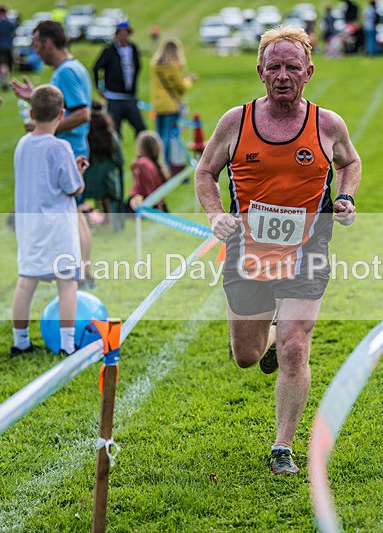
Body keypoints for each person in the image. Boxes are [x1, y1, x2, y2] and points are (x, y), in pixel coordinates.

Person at [194, 26, 361, 475]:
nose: (282, 75)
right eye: (274, 66)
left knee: (294, 345)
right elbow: (205, 172)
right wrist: (215, 215)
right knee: (247, 356)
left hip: (308, 250)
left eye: (292, 67)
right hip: (246, 251)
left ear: (308, 72)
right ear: (260, 71)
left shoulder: (328, 125)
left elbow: (349, 162)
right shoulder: (236, 122)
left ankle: (282, 446)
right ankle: (263, 338)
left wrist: (345, 199)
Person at [11, 20, 95, 289]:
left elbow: (82, 113)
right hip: (73, 148)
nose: (35, 51)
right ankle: (85, 271)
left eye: (36, 45)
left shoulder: (65, 72)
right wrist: (33, 97)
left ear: (48, 43)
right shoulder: (73, 67)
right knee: (76, 212)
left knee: (74, 215)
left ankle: (83, 273)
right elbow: (65, 107)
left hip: (69, 150)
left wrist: (42, 127)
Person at [11, 84, 88, 357]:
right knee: (67, 282)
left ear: (31, 112)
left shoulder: (22, 144)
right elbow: (73, 188)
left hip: (29, 227)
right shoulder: (61, 147)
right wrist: (78, 171)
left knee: (26, 281)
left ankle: (20, 342)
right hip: (57, 228)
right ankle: (67, 345)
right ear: (62, 114)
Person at [92, 20, 146, 138]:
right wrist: (99, 87)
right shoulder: (109, 51)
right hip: (114, 98)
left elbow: (137, 67)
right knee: (114, 131)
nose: (124, 36)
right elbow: (96, 68)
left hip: (129, 97)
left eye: (126, 33)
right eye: (121, 33)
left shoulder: (133, 49)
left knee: (141, 128)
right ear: (117, 34)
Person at [151, 38, 195, 170]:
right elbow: (180, 87)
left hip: (158, 104)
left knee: (159, 135)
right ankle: (164, 165)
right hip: (170, 104)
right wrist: (189, 81)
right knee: (168, 137)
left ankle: (155, 162)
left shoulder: (155, 66)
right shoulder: (174, 66)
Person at [82, 101, 124, 225]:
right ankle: (109, 218)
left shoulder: (83, 137)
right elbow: (120, 161)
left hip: (85, 185)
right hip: (107, 185)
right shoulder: (111, 137)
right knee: (107, 177)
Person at [128, 130, 169, 212]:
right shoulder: (148, 164)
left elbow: (149, 190)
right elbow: (150, 190)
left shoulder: (145, 164)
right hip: (148, 204)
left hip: (147, 204)